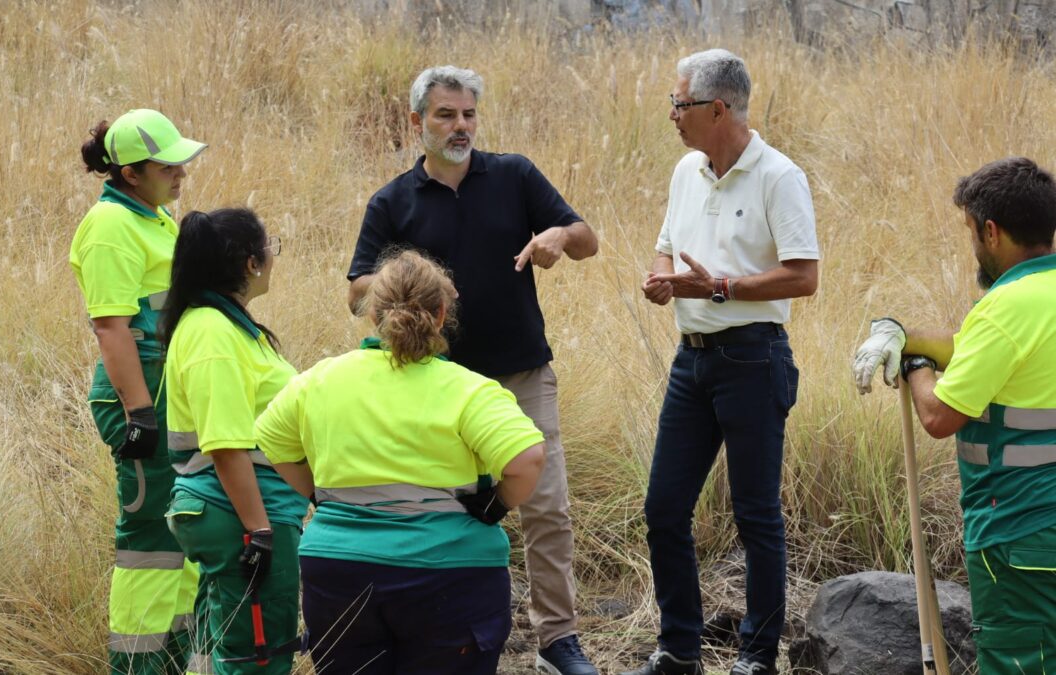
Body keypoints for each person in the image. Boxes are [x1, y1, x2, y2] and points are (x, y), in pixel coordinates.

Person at [345, 65, 600, 675]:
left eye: (468, 115)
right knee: (445, 507)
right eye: (445, 115)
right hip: (435, 385)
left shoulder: (513, 175)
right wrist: (403, 282)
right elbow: (356, 292)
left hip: (521, 374)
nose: (460, 127)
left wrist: (558, 238)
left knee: (546, 506)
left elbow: (588, 237)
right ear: (416, 123)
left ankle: (557, 639)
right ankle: (448, 632)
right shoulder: (393, 201)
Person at [254, 249, 545, 674]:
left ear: (373, 314)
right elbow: (527, 460)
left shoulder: (319, 380)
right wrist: (496, 505)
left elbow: (269, 439)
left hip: (338, 571)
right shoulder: (468, 390)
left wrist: (320, 493)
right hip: (451, 573)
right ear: (442, 314)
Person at [623, 49, 819, 675]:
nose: (671, 116)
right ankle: (679, 649)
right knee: (662, 508)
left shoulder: (779, 176)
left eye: (678, 104)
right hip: (692, 361)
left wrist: (720, 288)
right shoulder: (687, 170)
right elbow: (664, 250)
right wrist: (663, 281)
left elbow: (803, 277)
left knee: (755, 513)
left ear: (716, 108)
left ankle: (757, 657)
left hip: (753, 359)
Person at [853, 157, 1056, 675]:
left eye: (971, 232)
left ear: (991, 232)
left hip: (1020, 536)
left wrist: (917, 366)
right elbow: (975, 349)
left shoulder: (1006, 306)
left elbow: (940, 416)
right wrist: (903, 331)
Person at [71, 109, 206, 674]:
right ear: (130, 173)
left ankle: (176, 660)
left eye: (183, 162)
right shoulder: (110, 228)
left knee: (184, 530)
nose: (181, 172)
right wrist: (140, 412)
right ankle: (137, 666)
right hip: (140, 396)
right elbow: (112, 327)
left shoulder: (154, 216)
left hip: (168, 391)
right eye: (167, 165)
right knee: (150, 542)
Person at [161, 209, 308, 674]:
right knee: (258, 657)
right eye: (271, 247)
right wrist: (259, 532)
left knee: (221, 646)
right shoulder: (213, 335)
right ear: (251, 263)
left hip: (241, 509)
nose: (273, 256)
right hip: (242, 512)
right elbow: (224, 445)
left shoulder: (227, 325)